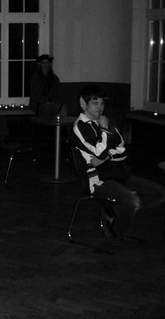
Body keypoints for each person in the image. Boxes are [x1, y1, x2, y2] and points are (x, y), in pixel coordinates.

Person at [71, 85, 165, 240]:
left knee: (161, 193)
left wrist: (106, 157)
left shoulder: (108, 122)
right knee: (133, 201)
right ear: (83, 103)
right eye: (95, 103)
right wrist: (105, 130)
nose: (100, 107)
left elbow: (122, 149)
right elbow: (98, 152)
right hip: (96, 179)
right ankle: (117, 234)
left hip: (118, 172)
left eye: (102, 103)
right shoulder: (80, 127)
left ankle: (115, 212)